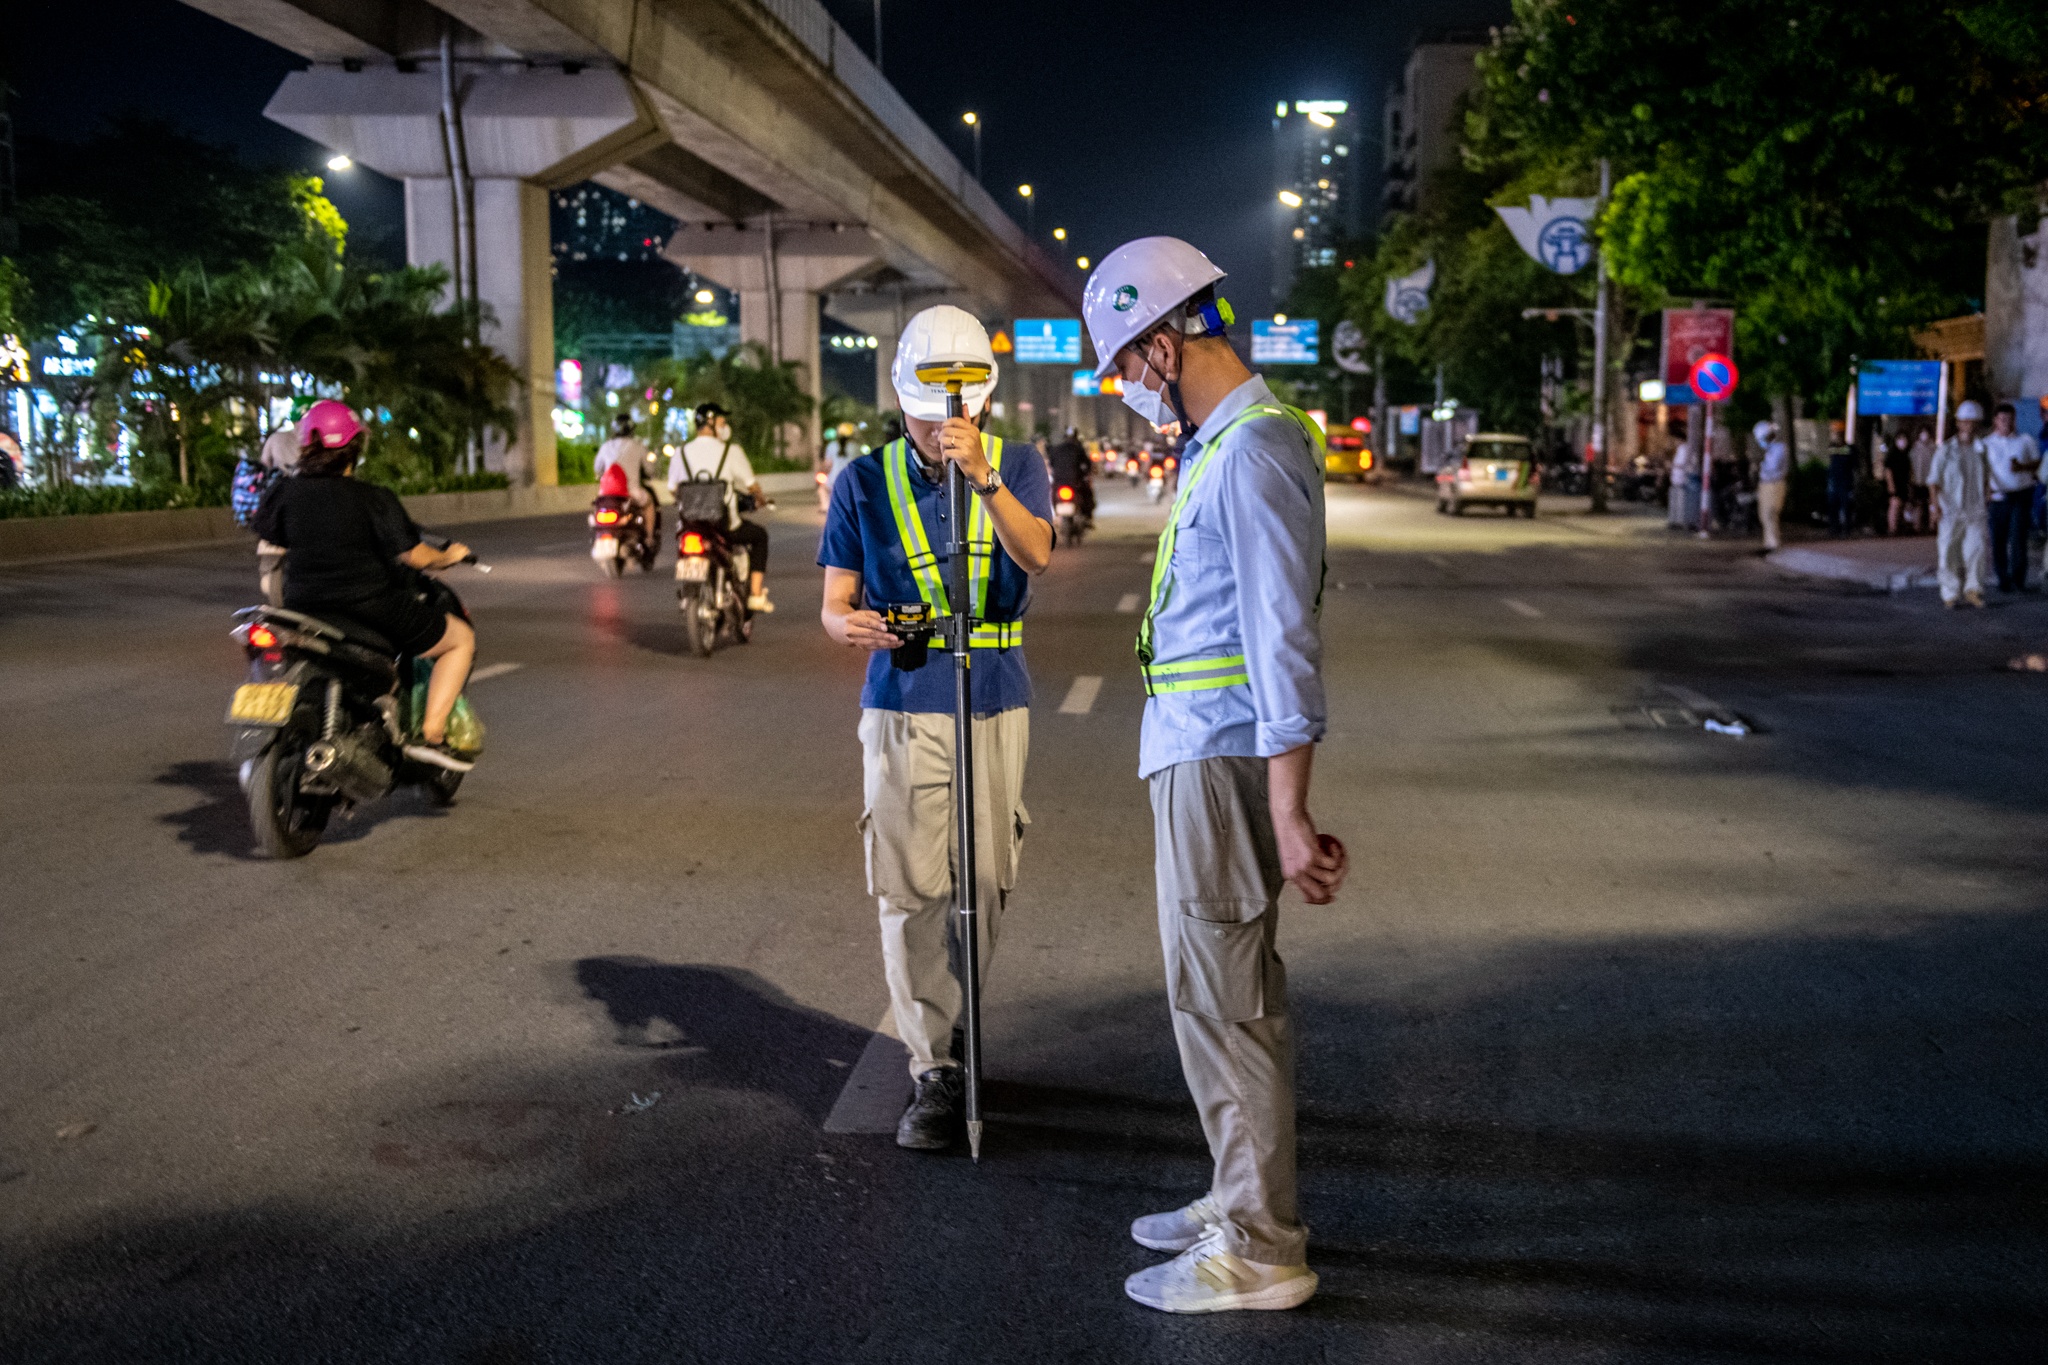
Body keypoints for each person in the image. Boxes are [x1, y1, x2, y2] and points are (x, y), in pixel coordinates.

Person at [1083, 237, 1347, 1315]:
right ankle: (1236, 1197)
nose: (1125, 391)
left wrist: (1288, 807)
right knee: (1209, 994)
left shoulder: (1248, 451)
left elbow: (1282, 634)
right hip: (1195, 748)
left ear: (1163, 337)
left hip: (1225, 755)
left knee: (1228, 999)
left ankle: (1257, 1246)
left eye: (1123, 367)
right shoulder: (1216, 446)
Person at [817, 305, 1053, 1151]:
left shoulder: (1020, 464)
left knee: (984, 878)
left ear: (984, 399)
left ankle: (964, 1030)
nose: (941, 421)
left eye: (956, 404)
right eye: (925, 406)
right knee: (911, 886)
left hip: (993, 690)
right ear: (900, 398)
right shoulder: (861, 479)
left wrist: (984, 478)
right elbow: (832, 606)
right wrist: (854, 626)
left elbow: (1035, 555)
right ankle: (936, 1067)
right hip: (904, 697)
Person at [250, 400, 478, 770]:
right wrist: (449, 556)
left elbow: (270, 534)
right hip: (369, 606)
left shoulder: (284, 494)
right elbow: (415, 557)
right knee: (460, 639)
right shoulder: (373, 499)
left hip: (302, 605)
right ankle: (432, 736)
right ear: (356, 449)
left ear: (306, 446)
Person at [671, 403, 775, 613]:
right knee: (760, 536)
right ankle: (755, 594)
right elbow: (751, 485)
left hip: (689, 524)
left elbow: (673, 489)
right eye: (722, 422)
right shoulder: (731, 451)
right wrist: (761, 499)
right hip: (724, 525)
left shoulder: (680, 452)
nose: (725, 427)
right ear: (711, 423)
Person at [1928, 400, 1994, 609]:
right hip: (1950, 509)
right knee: (1948, 551)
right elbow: (1933, 481)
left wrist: (1987, 494)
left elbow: (1986, 476)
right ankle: (1950, 592)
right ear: (1958, 423)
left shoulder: (1981, 449)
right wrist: (1935, 507)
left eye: (1973, 422)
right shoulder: (1946, 450)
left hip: (1975, 508)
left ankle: (1973, 589)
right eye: (1965, 422)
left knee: (1976, 549)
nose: (1969, 426)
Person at [1983, 401, 2042, 592]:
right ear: (1995, 421)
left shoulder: (2025, 441)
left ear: (2014, 420)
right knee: (1998, 540)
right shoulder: (1986, 444)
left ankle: (2018, 578)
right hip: (1998, 497)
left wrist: (2022, 467)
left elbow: (2037, 464)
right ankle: (2002, 578)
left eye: (2009, 419)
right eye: (2002, 419)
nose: (2006, 423)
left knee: (2018, 538)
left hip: (2020, 495)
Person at [593, 413, 659, 548]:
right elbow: (650, 470)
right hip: (631, 492)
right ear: (631, 429)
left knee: (596, 509)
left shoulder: (606, 446)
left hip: (606, 494)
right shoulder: (637, 446)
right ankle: (649, 537)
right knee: (649, 504)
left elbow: (597, 468)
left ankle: (595, 538)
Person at [1045, 425, 1095, 524]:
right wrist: (1087, 471)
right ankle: (1087, 516)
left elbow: (1051, 464)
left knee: (1051, 494)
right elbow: (1087, 464)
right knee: (1087, 493)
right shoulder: (1078, 449)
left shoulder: (1056, 449)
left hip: (1059, 481)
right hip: (1075, 481)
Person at [1755, 419, 1791, 551]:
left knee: (1770, 512)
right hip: (1766, 484)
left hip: (1774, 484)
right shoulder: (1771, 450)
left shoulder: (1779, 448)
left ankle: (1773, 543)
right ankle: (1769, 541)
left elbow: (1772, 467)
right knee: (1764, 514)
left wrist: (1762, 466)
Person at [1883, 431, 1916, 537]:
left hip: (1904, 484)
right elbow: (1888, 471)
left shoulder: (1906, 455)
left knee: (1903, 505)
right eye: (1900, 439)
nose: (1903, 442)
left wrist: (1910, 483)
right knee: (1895, 505)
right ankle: (1892, 528)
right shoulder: (1892, 455)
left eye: (1904, 439)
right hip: (1895, 484)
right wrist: (1891, 486)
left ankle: (1900, 526)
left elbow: (1910, 471)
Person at [1909, 426, 1937, 532]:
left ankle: (1932, 525)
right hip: (1918, 480)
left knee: (1931, 503)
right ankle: (1917, 526)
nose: (1924, 435)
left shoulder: (1933, 448)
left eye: (1926, 432)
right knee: (1918, 504)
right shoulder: (1915, 448)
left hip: (1930, 481)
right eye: (1922, 432)